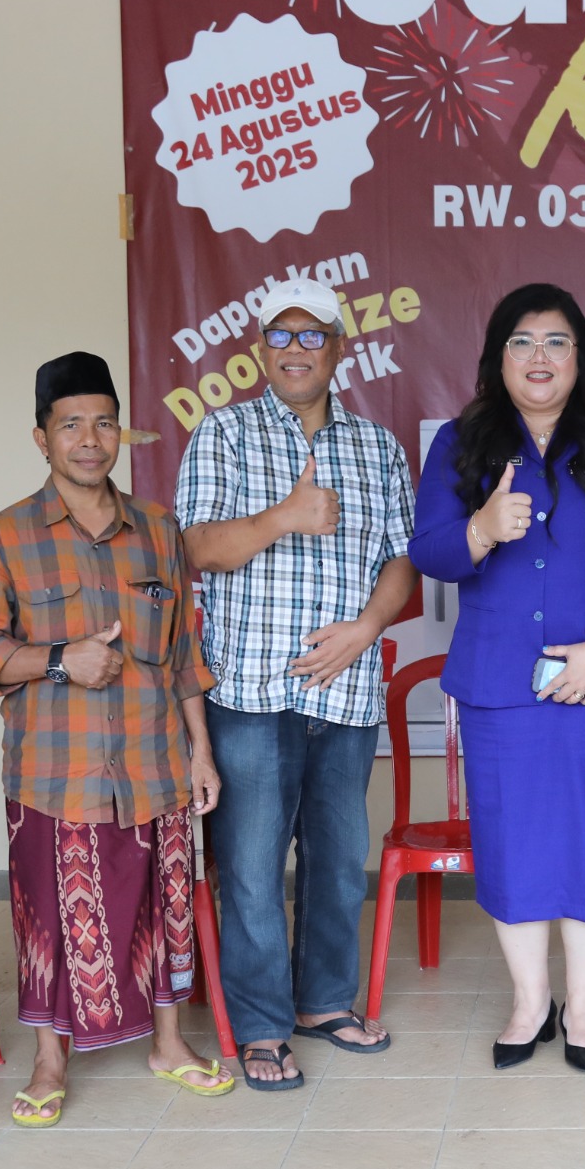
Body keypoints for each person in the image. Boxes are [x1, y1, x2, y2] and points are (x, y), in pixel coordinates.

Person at [0, 352, 233, 1124]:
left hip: (154, 762)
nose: (89, 439)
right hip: (56, 770)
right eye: (70, 424)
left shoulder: (158, 530)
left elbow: (183, 655)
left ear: (121, 434)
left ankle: (169, 1045)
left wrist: (201, 751)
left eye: (104, 423)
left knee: (162, 909)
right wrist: (58, 659)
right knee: (49, 919)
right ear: (41, 438)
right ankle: (50, 1062)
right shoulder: (5, 536)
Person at [410, 286, 585, 1071]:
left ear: (580, 358)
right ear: (498, 358)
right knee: (511, 844)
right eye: (522, 342)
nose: (539, 357)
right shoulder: (461, 444)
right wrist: (480, 530)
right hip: (498, 685)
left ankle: (583, 1010)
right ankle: (530, 1003)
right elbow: (430, 551)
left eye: (557, 342)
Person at [177, 279, 418, 1088]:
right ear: (259, 350)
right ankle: (260, 1025)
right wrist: (284, 515)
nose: (293, 349)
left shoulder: (378, 446)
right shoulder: (225, 431)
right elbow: (195, 548)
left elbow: (402, 560)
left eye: (311, 334)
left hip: (344, 691)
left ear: (338, 348)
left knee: (339, 859)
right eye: (279, 335)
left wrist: (366, 628)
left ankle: (322, 1003)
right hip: (251, 692)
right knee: (250, 867)